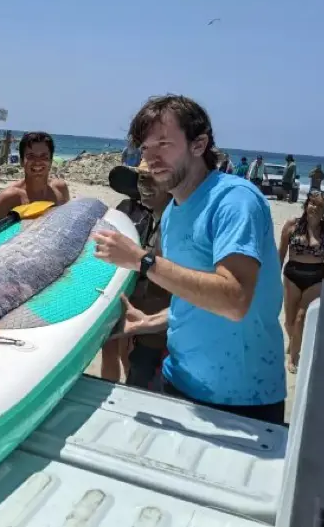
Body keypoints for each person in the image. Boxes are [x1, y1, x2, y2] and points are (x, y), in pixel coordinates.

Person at [92, 94, 287, 424]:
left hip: (242, 397)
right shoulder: (172, 214)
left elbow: (234, 299)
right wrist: (151, 321)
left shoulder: (234, 200)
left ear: (199, 145)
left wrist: (144, 261)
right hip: (178, 381)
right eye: (146, 147)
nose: (152, 158)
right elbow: (196, 297)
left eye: (164, 144)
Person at [100, 159, 173, 389]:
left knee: (135, 369)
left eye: (154, 179)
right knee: (115, 353)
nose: (146, 186)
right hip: (128, 304)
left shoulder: (172, 223)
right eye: (142, 178)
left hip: (156, 326)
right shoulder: (129, 211)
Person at [278, 191, 324, 374]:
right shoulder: (292, 225)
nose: (314, 208)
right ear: (306, 205)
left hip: (316, 277)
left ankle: (293, 357)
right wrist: (274, 275)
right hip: (292, 276)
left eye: (319, 206)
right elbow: (281, 253)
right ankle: (294, 342)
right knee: (289, 321)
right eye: (312, 203)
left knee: (301, 317)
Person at [0, 132, 70, 224]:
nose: (37, 161)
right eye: (31, 156)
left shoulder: (60, 189)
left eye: (44, 156)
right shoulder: (8, 198)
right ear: (22, 161)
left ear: (50, 161)